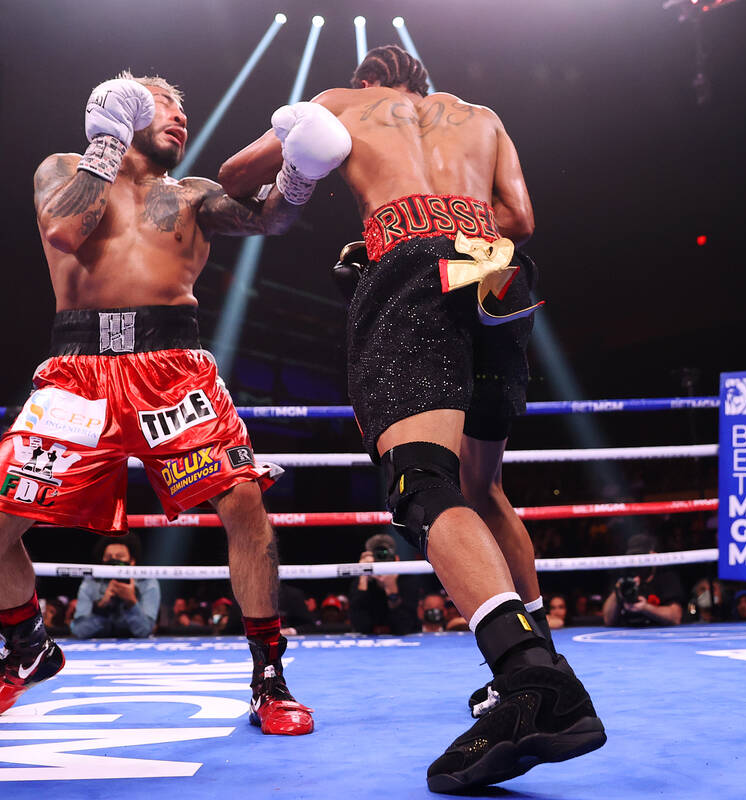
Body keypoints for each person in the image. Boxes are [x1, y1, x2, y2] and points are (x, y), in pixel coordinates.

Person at [219, 45, 603, 792]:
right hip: (494, 268)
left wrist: (315, 182)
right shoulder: (483, 116)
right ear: (423, 83)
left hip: (411, 260)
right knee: (483, 488)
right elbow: (520, 217)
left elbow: (237, 176)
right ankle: (540, 660)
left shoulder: (338, 100)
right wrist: (450, 219)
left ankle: (531, 685)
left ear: (369, 79)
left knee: (422, 480)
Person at [0, 70, 348, 735]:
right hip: (79, 374)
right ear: (125, 109)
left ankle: (269, 677)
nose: (181, 116)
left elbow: (270, 218)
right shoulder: (63, 168)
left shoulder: (192, 195)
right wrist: (106, 143)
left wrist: (302, 173)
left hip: (173, 371)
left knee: (243, 500)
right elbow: (64, 233)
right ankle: (27, 648)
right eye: (167, 103)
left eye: (185, 109)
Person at [70, 533, 160, 639]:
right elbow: (79, 631)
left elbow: (145, 631)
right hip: (98, 650)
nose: (113, 561)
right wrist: (101, 607)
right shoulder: (90, 583)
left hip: (136, 651)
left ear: (132, 561)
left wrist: (131, 602)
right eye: (108, 557)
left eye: (119, 556)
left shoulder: (147, 582)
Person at [602, 533, 684, 627]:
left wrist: (645, 608)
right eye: (633, 556)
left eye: (641, 555)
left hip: (659, 632)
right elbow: (608, 620)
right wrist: (618, 590)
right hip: (627, 633)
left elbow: (676, 617)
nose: (637, 560)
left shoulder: (665, 575)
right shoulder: (623, 575)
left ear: (653, 555)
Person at [348, 532, 420, 634]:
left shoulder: (407, 580)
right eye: (377, 554)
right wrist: (363, 577)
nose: (381, 557)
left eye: (385, 554)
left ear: (396, 559)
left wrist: (392, 591)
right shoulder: (361, 583)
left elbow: (403, 628)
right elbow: (360, 628)